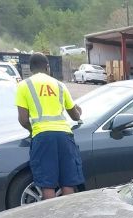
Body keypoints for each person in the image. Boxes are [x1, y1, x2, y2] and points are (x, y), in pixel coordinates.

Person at [15, 52, 83, 200]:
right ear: (47, 67)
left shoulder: (23, 86)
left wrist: (34, 130)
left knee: (48, 183)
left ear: (31, 68)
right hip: (65, 137)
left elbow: (23, 119)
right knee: (68, 182)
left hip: (43, 137)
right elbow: (75, 115)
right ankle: (69, 216)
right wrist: (79, 111)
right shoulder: (59, 85)